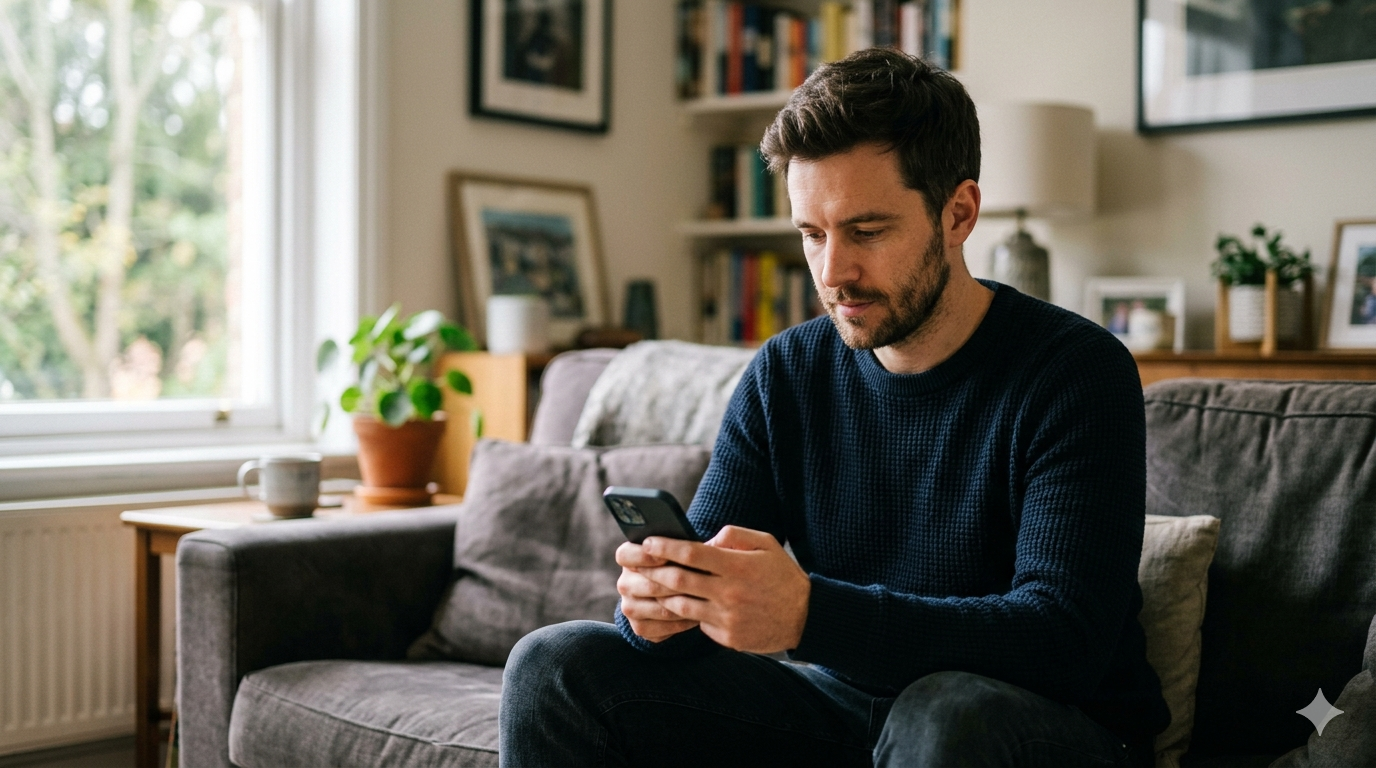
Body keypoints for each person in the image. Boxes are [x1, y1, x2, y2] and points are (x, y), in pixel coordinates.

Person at [499, 48, 1169, 767]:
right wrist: (659, 609)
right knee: (555, 664)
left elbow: (1062, 641)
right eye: (812, 235)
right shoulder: (788, 372)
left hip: (1044, 723)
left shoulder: (1076, 372)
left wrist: (809, 615)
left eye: (867, 231)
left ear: (959, 213)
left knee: (943, 713)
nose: (832, 273)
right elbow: (702, 586)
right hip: (849, 709)